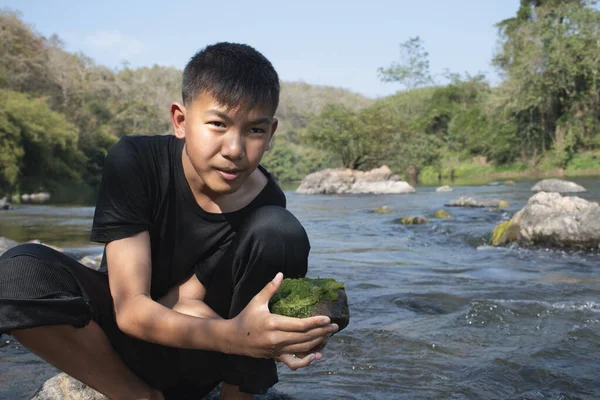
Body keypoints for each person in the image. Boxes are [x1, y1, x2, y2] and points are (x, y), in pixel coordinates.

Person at [0, 42, 338, 400]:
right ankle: (138, 396)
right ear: (180, 120)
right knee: (14, 275)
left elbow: (194, 295)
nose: (235, 149)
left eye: (254, 131)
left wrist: (281, 336)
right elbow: (130, 309)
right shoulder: (135, 162)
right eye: (218, 124)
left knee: (280, 230)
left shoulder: (267, 202)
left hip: (206, 354)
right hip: (130, 342)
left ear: (271, 134)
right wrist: (235, 334)